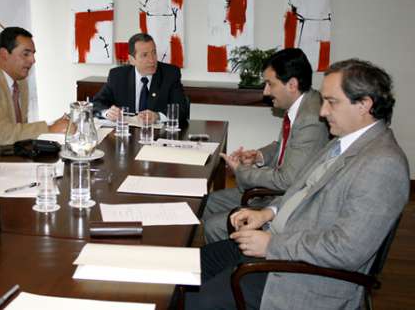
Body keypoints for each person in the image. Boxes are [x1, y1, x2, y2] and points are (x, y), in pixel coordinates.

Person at [186, 59, 410, 309]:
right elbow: (300, 192)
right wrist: (267, 213)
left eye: (332, 102)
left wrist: (272, 245)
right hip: (282, 250)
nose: (323, 111)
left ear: (364, 105)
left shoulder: (383, 164)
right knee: (186, 269)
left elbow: (347, 250)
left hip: (301, 275)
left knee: (196, 299)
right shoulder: (343, 142)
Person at [202, 48, 329, 243]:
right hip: (273, 191)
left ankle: (234, 264)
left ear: (292, 84)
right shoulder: (302, 104)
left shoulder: (310, 119)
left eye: (270, 84)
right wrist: (259, 156)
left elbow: (286, 180)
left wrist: (241, 171)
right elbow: (283, 145)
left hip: (284, 200)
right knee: (208, 202)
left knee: (213, 225)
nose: (265, 92)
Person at [0, 27, 68, 145]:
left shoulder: (20, 81)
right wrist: (49, 129)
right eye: (26, 54)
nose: (33, 60)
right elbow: (0, 134)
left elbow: (20, 127)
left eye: (33, 54)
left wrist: (52, 125)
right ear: (4, 54)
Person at [92, 33, 189, 125]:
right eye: (145, 55)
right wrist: (107, 112)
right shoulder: (118, 76)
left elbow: (181, 109)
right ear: (132, 60)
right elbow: (96, 103)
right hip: (127, 134)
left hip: (158, 135)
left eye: (154, 52)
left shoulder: (170, 74)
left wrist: (157, 116)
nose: (152, 60)